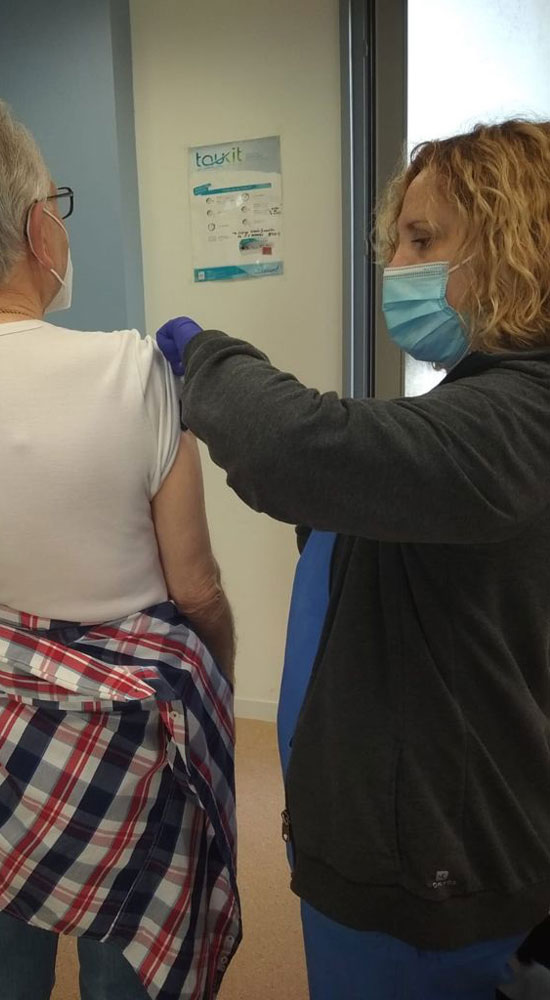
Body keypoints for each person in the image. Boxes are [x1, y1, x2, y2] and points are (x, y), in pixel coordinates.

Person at [0, 94, 239, 1000]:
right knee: (120, 953)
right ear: (37, 228)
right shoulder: (134, 371)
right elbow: (197, 590)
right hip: (124, 757)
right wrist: (217, 673)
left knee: (4, 951)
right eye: (55, 204)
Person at [156, 118, 550, 999]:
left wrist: (208, 359)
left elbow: (295, 447)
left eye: (424, 240)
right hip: (397, 834)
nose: (397, 267)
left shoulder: (521, 418)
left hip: (431, 881)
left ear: (513, 243)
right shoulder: (479, 406)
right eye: (397, 243)